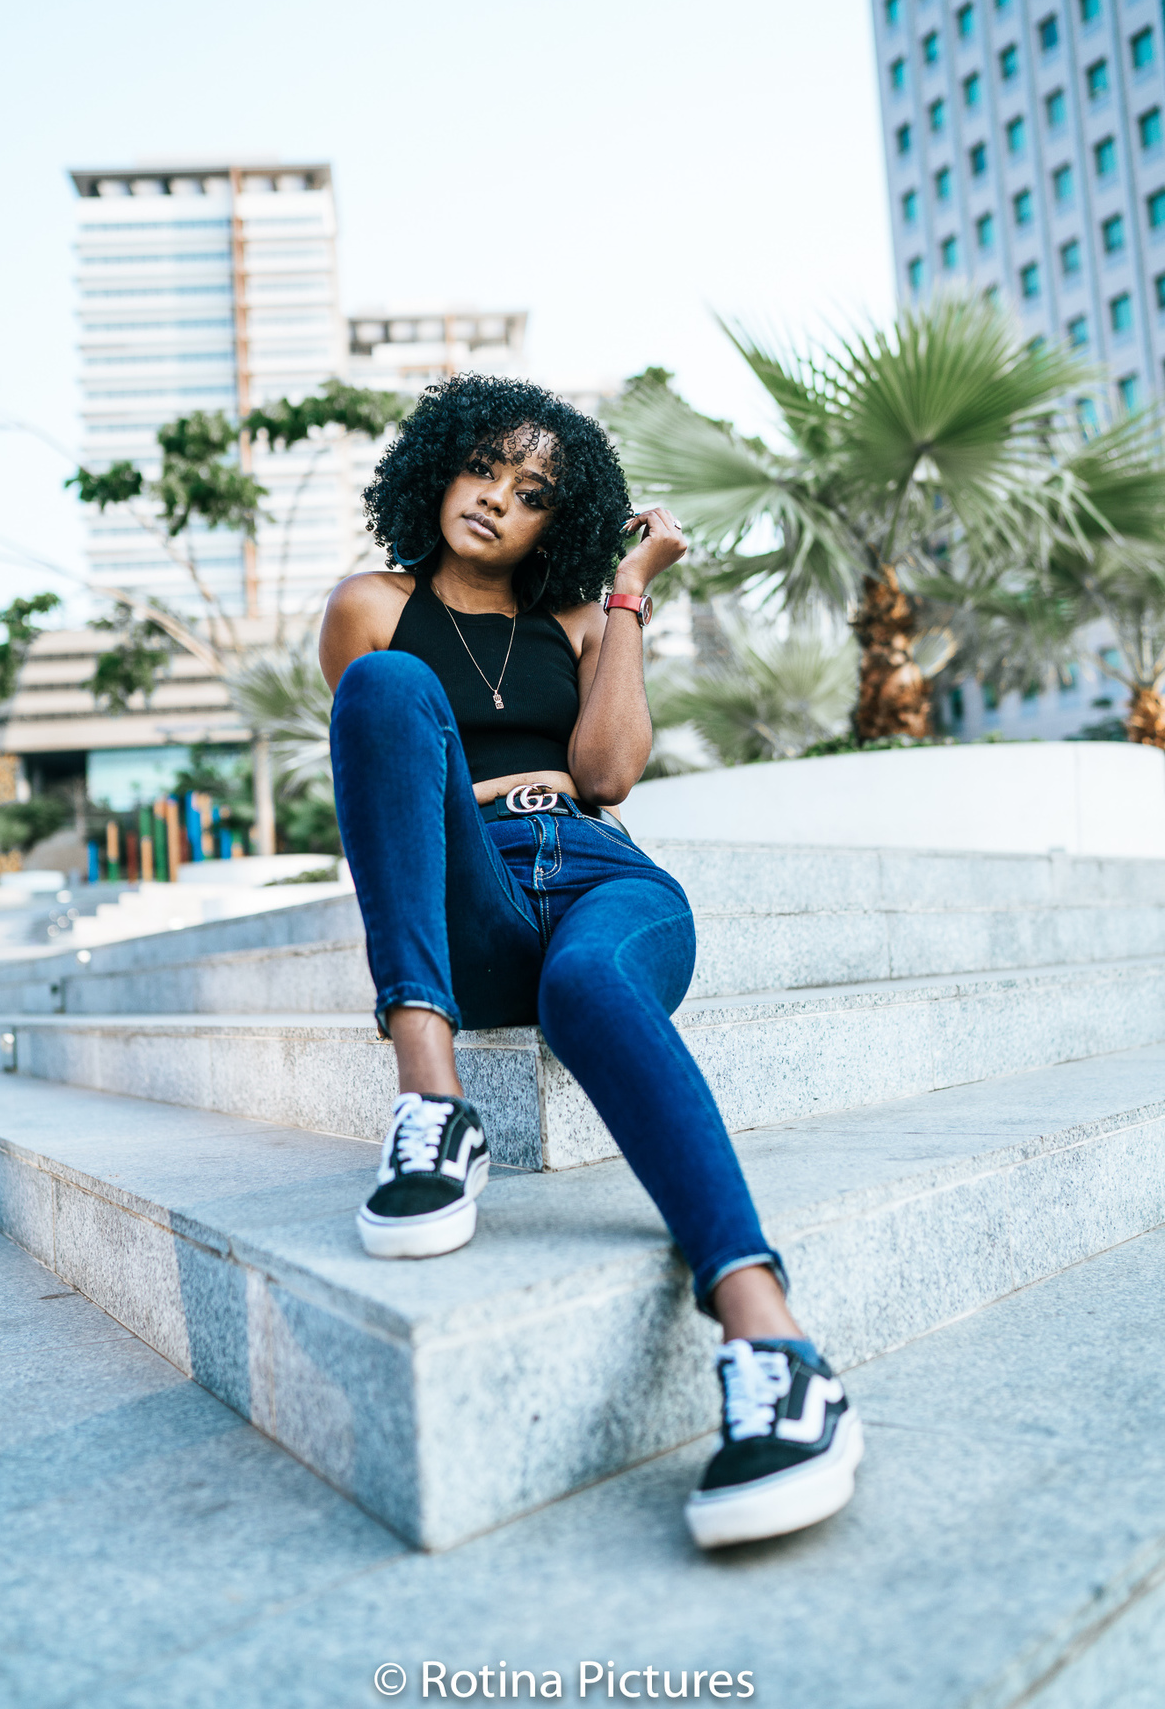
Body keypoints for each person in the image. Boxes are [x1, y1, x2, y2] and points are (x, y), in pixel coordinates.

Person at [320, 375, 862, 1548]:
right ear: (438, 469)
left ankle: (772, 1340)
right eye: (483, 468)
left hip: (605, 875)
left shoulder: (576, 618)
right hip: (478, 886)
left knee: (589, 985)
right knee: (389, 683)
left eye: (531, 492)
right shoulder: (370, 605)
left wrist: (626, 594)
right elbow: (389, 776)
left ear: (552, 523)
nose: (496, 500)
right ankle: (433, 1104)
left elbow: (609, 772)